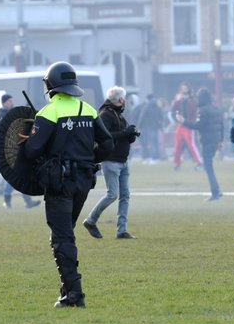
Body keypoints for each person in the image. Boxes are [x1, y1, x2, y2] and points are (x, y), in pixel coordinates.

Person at [21, 61, 113, 308]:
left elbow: (32, 150)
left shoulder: (49, 113)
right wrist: (88, 159)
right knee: (65, 234)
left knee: (62, 238)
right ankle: (67, 288)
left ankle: (74, 295)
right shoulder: (89, 110)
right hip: (84, 182)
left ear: (50, 85)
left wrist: (28, 138)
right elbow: (108, 144)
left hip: (59, 183)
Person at [83, 86, 139, 239]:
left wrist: (130, 135)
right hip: (111, 161)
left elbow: (120, 134)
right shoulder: (106, 114)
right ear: (120, 100)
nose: (125, 100)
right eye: (124, 98)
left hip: (123, 161)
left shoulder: (118, 114)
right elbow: (104, 136)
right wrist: (124, 133)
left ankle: (122, 230)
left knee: (125, 195)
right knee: (113, 194)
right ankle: (90, 220)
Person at [176, 87, 224, 201]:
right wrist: (221, 141)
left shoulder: (202, 111)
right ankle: (217, 190)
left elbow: (199, 126)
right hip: (215, 141)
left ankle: (215, 193)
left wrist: (183, 122)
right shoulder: (216, 109)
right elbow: (222, 127)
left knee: (208, 168)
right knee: (209, 167)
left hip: (207, 142)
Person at [0, 94, 40, 210]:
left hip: (17, 148)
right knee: (14, 175)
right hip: (9, 150)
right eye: (9, 101)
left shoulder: (11, 112)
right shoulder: (2, 113)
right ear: (4, 102)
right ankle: (8, 199)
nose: (12, 102)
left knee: (20, 174)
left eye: (12, 100)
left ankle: (26, 200)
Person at [171, 83, 203, 170]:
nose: (183, 90)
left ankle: (199, 163)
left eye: (185, 88)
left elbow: (195, 112)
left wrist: (191, 123)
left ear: (188, 89)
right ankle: (177, 164)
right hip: (180, 125)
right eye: (182, 88)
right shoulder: (179, 98)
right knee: (177, 145)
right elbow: (173, 109)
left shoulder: (192, 99)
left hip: (188, 125)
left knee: (191, 145)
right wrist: (176, 100)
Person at [138, 93, 167, 162]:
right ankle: (155, 158)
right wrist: (161, 127)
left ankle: (153, 158)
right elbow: (161, 118)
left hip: (149, 127)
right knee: (154, 143)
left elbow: (142, 116)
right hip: (153, 127)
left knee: (151, 143)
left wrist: (139, 126)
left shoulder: (148, 105)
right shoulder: (154, 106)